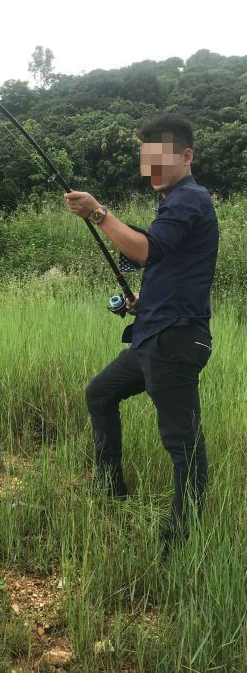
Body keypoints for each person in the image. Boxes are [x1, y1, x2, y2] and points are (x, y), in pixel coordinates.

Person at [64, 113, 219, 557]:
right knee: (100, 393)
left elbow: (145, 249)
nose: (150, 169)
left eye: (160, 159)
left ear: (186, 156)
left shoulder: (192, 199)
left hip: (176, 341)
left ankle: (179, 541)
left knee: (181, 443)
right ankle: (111, 489)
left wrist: (98, 212)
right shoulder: (172, 204)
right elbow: (161, 262)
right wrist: (142, 302)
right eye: (145, 160)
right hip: (152, 335)